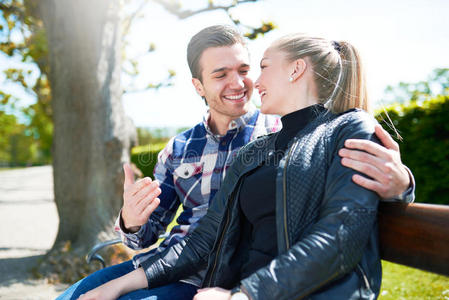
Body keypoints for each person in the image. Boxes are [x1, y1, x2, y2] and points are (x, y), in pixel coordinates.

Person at [59, 26, 414, 300]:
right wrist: (131, 224)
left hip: (234, 282)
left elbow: (343, 223)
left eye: (251, 68)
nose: (246, 83)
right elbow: (189, 239)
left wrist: (403, 186)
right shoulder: (201, 148)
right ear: (198, 85)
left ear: (295, 71)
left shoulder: (323, 126)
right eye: (220, 74)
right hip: (187, 269)